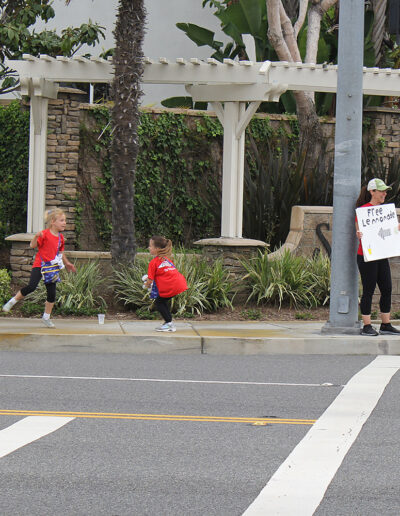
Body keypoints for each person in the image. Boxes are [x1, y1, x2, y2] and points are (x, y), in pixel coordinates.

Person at [2, 208, 76, 327]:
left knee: (51, 294)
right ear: (53, 221)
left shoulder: (61, 238)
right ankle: (12, 301)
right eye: (62, 220)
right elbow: (32, 245)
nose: (64, 223)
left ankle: (46, 317)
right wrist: (36, 236)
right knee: (31, 287)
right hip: (40, 265)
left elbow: (60, 252)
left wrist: (67, 263)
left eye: (65, 220)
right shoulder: (44, 234)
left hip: (51, 268)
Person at [355, 178, 400, 336]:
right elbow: (359, 230)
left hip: (381, 255)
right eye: (381, 191)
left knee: (387, 288)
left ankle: (385, 324)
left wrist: (396, 229)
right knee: (368, 290)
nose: (385, 193)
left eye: (385, 191)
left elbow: (389, 232)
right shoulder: (363, 211)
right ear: (372, 192)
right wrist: (359, 233)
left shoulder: (385, 212)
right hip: (367, 256)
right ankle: (366, 325)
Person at [144, 235, 187, 332]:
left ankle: (169, 324)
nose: (148, 248)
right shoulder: (166, 259)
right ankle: (168, 322)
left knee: (159, 303)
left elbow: (150, 280)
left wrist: (146, 285)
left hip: (171, 286)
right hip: (179, 283)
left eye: (150, 246)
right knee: (162, 302)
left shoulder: (153, 262)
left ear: (157, 249)